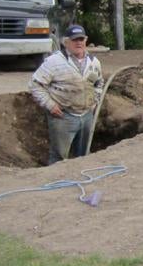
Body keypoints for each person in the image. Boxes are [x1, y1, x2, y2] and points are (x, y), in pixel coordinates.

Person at [30, 24, 104, 164]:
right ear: (66, 42)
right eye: (75, 40)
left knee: (82, 156)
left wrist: (95, 100)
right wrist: (50, 105)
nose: (79, 43)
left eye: (81, 39)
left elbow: (99, 83)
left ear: (86, 40)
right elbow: (35, 84)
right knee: (59, 157)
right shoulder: (54, 62)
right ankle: (57, 182)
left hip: (86, 115)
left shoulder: (94, 62)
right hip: (63, 117)